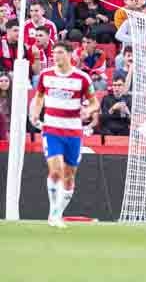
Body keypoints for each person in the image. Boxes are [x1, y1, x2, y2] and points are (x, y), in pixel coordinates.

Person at [29, 41, 97, 228]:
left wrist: (88, 110)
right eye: (54, 53)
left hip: (74, 131)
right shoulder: (46, 75)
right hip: (51, 129)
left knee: (69, 176)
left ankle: (58, 212)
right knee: (56, 171)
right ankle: (54, 213)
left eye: (59, 52)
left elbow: (94, 102)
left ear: (69, 54)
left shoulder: (82, 78)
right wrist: (35, 112)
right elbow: (39, 97)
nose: (55, 56)